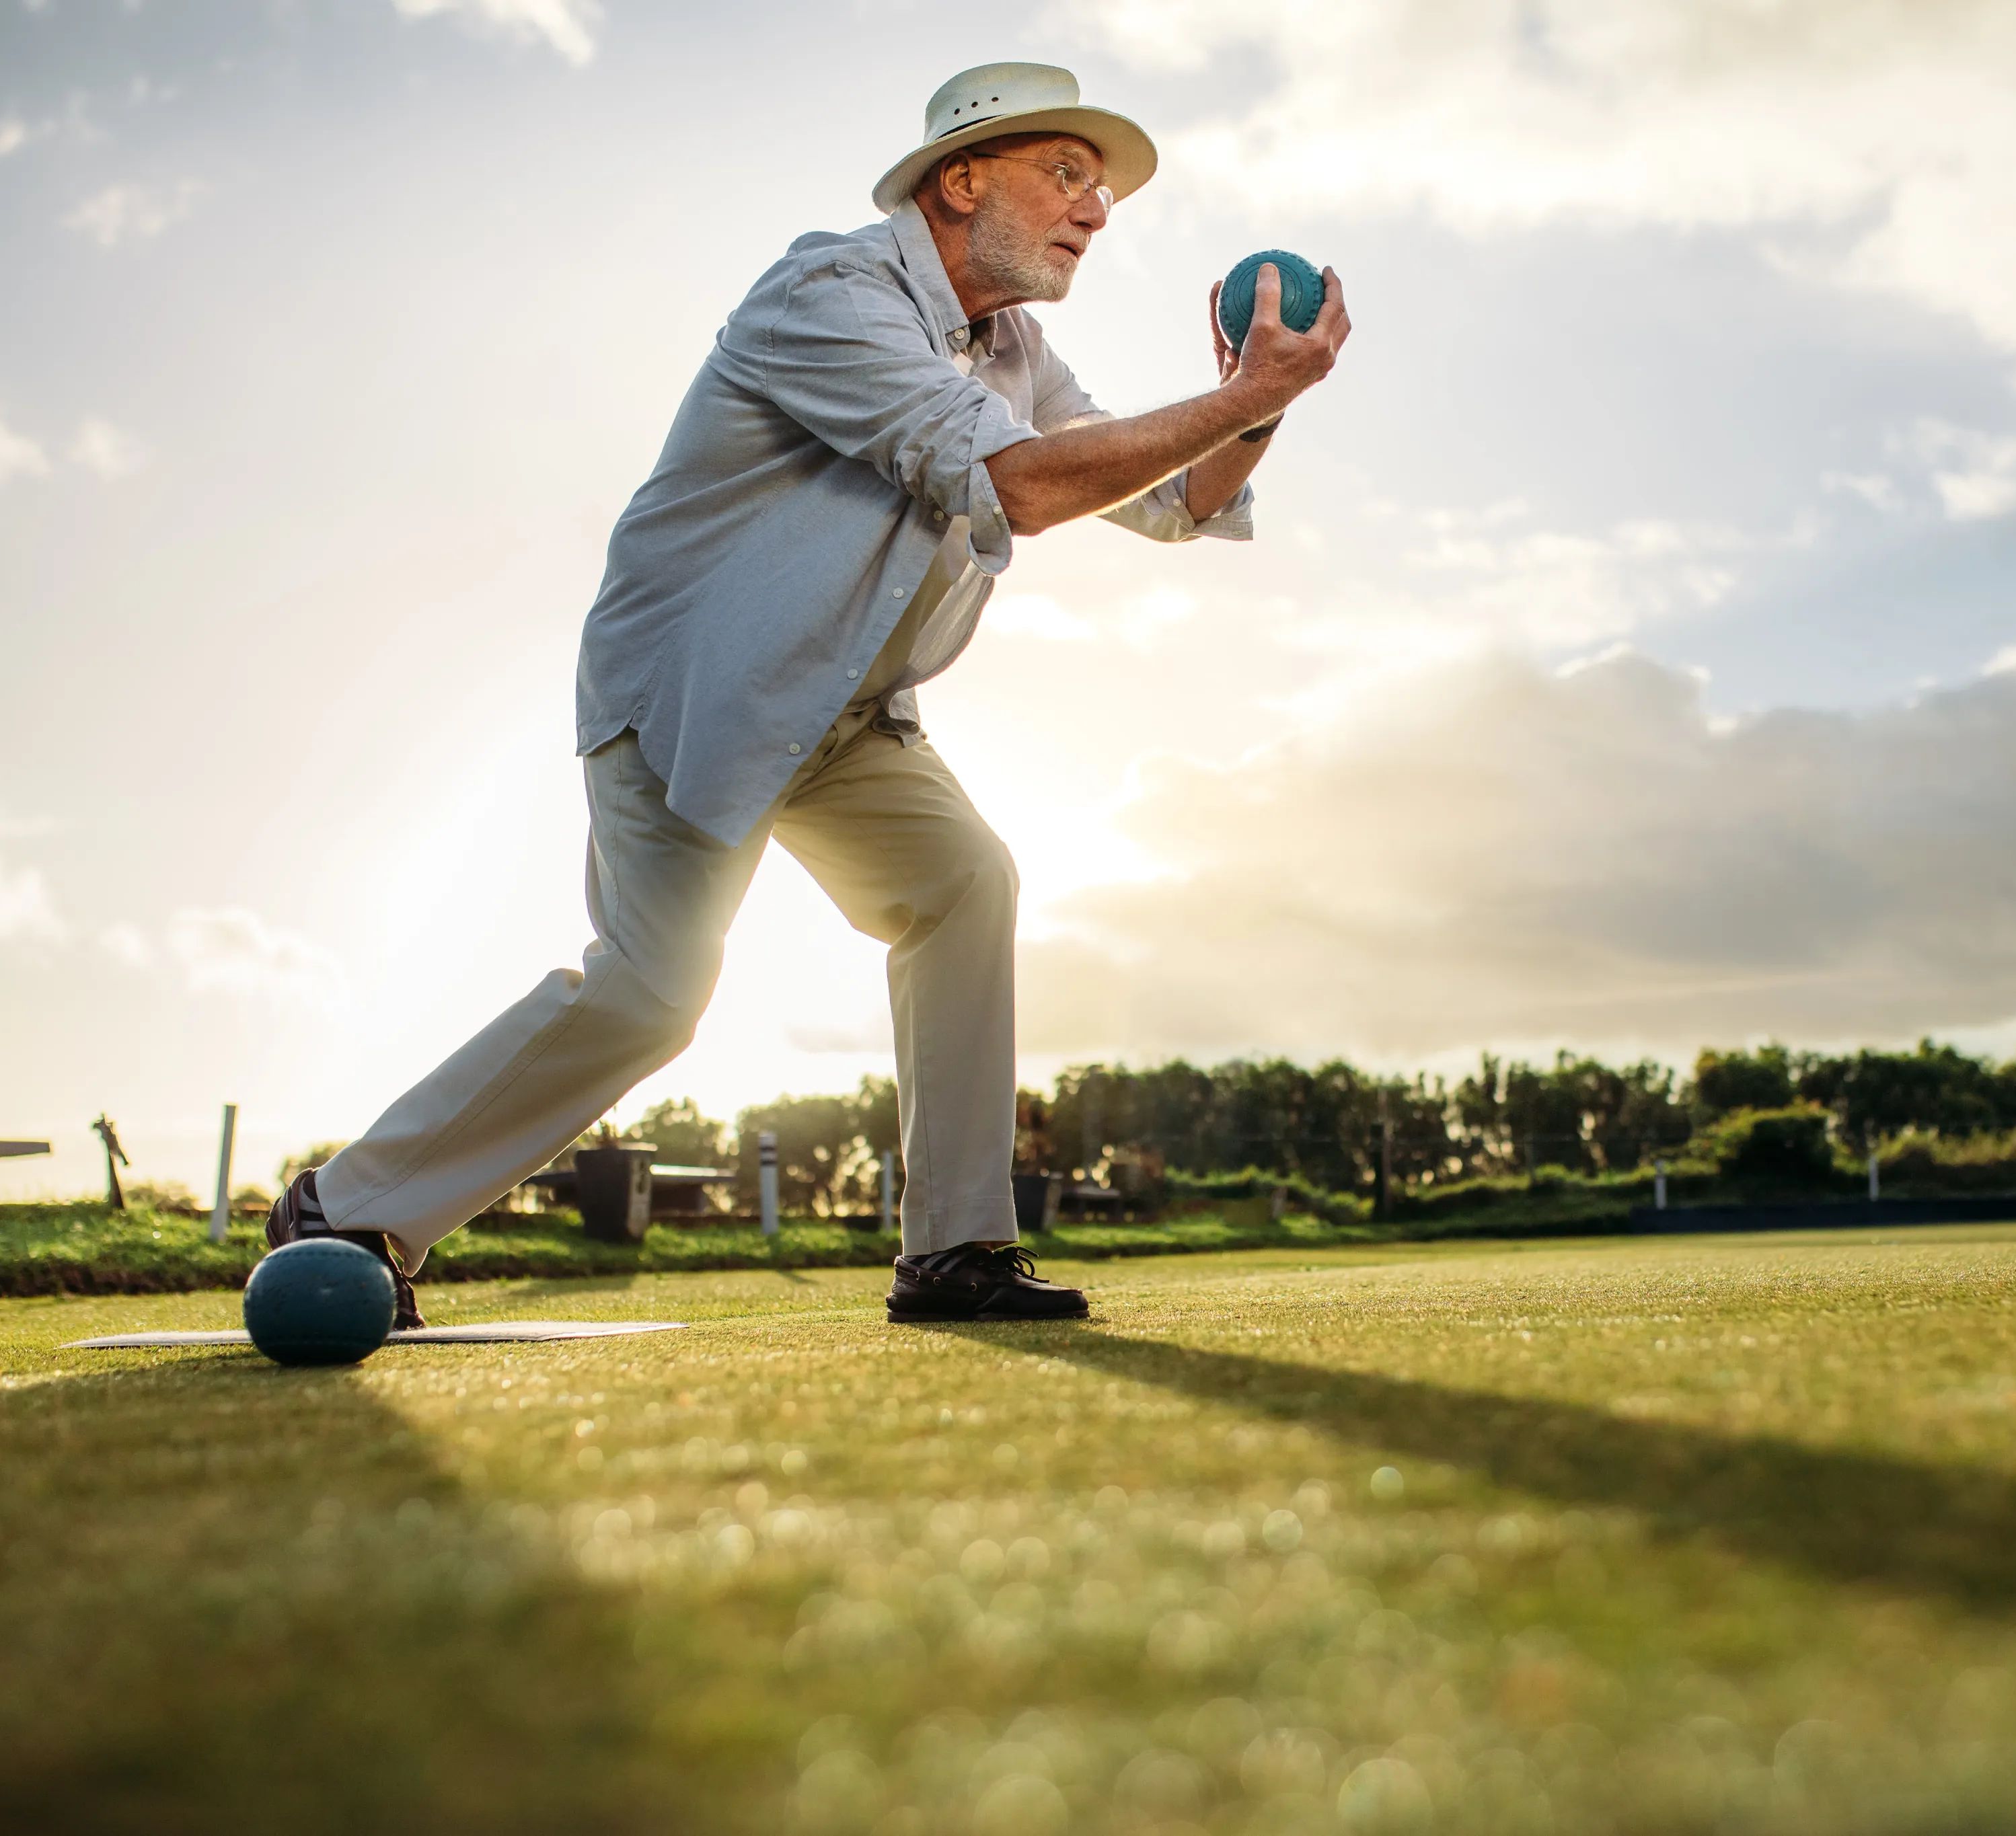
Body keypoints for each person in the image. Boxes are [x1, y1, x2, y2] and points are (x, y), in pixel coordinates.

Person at [267, 61, 1352, 1326]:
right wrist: (1241, 395)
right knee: (653, 993)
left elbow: (1172, 502)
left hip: (847, 719)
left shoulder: (1015, 345)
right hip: (696, 693)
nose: (1096, 211)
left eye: (1100, 190)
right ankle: (344, 1209)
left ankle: (955, 1251)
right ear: (961, 179)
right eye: (1065, 174)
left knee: (964, 882)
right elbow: (1020, 485)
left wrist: (1254, 410)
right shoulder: (828, 291)